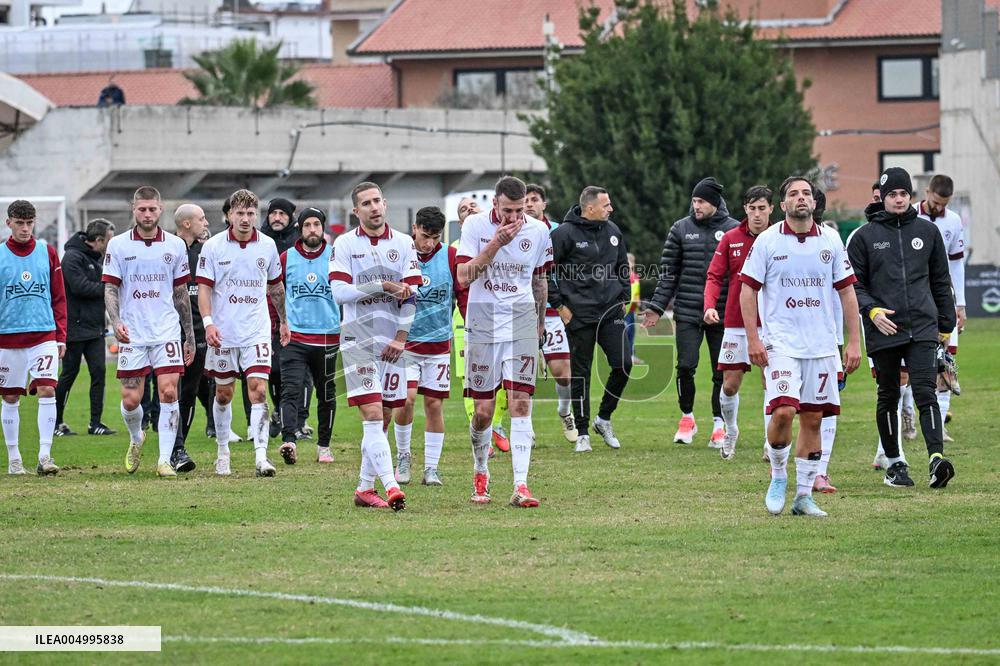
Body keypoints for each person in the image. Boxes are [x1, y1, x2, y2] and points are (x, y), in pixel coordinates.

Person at [740, 176, 861, 517]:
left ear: (814, 201)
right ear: (783, 205)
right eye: (793, 194)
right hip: (781, 344)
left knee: (813, 418)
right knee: (783, 411)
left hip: (822, 346)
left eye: (806, 192)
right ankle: (778, 475)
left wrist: (853, 341)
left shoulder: (831, 240)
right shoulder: (767, 241)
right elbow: (747, 290)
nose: (801, 197)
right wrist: (753, 339)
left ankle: (804, 496)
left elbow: (847, 291)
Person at [847, 167, 957, 489]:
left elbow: (941, 281)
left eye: (904, 193)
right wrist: (872, 311)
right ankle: (895, 464)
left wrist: (946, 324)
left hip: (922, 326)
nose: (898, 199)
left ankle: (936, 460)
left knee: (925, 392)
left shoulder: (929, 232)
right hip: (884, 328)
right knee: (889, 395)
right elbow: (853, 286)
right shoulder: (863, 237)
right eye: (892, 194)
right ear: (881, 197)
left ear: (911, 196)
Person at [457, 176, 553, 507]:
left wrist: (539, 324)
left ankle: (521, 485)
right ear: (495, 204)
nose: (513, 217)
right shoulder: (475, 226)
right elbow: (464, 276)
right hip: (482, 322)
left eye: (518, 210)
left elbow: (539, 280)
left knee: (521, 403)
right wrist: (495, 244)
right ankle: (480, 469)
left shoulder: (538, 231)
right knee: (483, 411)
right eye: (507, 210)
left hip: (521, 320)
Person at [329, 181, 418, 510]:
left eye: (377, 201)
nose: (374, 207)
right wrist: (382, 284)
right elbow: (340, 293)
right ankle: (392, 487)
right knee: (372, 413)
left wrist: (401, 338)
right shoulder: (344, 243)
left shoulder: (405, 243)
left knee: (383, 418)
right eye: (366, 203)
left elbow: (411, 296)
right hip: (358, 339)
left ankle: (365, 489)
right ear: (356, 211)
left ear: (385, 203)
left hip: (392, 342)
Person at [103, 186, 194, 479]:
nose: (147, 214)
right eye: (142, 209)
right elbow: (110, 288)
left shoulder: (175, 245)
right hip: (133, 332)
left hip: (166, 330)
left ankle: (164, 460)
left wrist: (189, 335)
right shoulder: (118, 245)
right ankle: (136, 437)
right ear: (134, 210)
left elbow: (181, 293)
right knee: (131, 399)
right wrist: (116, 321)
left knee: (169, 392)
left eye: (152, 209)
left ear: (160, 209)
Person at [197, 189, 287, 478]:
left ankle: (261, 457)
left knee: (258, 390)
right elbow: (204, 289)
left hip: (256, 330)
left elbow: (275, 286)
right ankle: (223, 452)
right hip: (224, 332)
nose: (246, 219)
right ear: (229, 215)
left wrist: (284, 320)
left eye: (250, 213)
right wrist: (208, 323)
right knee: (224, 394)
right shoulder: (213, 246)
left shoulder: (268, 245)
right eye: (240, 213)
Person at [644, 177, 738, 447]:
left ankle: (719, 424)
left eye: (702, 201)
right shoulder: (680, 229)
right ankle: (687, 418)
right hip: (687, 311)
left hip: (722, 312)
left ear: (715, 203)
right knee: (686, 366)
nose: (696, 206)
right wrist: (656, 307)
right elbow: (668, 275)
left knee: (721, 371)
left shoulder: (733, 230)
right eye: (694, 201)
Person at [548, 186, 631, 453]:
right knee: (581, 374)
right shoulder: (563, 234)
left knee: (624, 364)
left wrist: (624, 297)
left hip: (610, 313)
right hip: (578, 315)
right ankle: (582, 433)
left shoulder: (613, 231)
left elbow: (622, 267)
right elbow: (544, 272)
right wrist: (560, 306)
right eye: (606, 205)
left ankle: (603, 419)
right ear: (590, 208)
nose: (611, 209)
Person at [703, 185, 773, 461]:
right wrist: (710, 305)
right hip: (735, 322)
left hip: (771, 324)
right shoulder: (731, 238)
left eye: (762, 208)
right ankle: (730, 430)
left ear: (771, 209)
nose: (757, 214)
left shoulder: (780, 239)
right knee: (730, 385)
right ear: (745, 209)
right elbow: (714, 276)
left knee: (771, 381)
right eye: (752, 208)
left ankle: (770, 441)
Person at [390, 206, 458, 486]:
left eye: (435, 237)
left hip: (438, 344)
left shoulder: (450, 256)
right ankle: (403, 456)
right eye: (425, 236)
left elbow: (462, 292)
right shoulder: (400, 254)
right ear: (414, 229)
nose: (429, 243)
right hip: (406, 344)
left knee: (433, 404)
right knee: (405, 399)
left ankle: (431, 467)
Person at [0, 199, 67, 476]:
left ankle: (45, 455)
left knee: (47, 389)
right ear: (9, 223)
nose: (25, 228)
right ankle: (14, 458)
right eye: (20, 223)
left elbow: (59, 296)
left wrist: (61, 335)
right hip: (7, 338)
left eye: (29, 223)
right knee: (10, 397)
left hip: (43, 335)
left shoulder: (47, 252)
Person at [276, 207, 340, 466]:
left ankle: (324, 446)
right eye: (307, 225)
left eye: (316, 224)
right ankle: (289, 441)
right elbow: (274, 292)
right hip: (295, 337)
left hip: (327, 336)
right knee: (290, 390)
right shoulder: (286, 258)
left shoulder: (336, 256)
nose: (312, 229)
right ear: (300, 229)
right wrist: (279, 324)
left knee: (326, 394)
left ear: (323, 228)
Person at [453, 196, 507, 454]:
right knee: (471, 378)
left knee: (505, 377)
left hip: (500, 319)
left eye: (472, 204)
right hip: (465, 321)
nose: (469, 208)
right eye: (463, 208)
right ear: (460, 222)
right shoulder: (455, 249)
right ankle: (479, 430)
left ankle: (496, 424)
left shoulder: (501, 241)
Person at [524, 184, 578, 443]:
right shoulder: (513, 231)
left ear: (544, 204)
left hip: (553, 310)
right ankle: (525, 427)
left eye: (534, 199)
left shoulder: (558, 231)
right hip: (522, 311)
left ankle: (565, 411)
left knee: (563, 373)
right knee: (523, 372)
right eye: (525, 200)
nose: (529, 204)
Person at [55, 218, 116, 437]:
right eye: (109, 240)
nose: (110, 244)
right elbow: (79, 287)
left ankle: (95, 423)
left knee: (99, 373)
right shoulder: (72, 257)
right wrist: (109, 288)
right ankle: (56, 422)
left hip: (95, 328)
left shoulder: (97, 259)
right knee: (69, 375)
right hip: (75, 328)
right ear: (98, 240)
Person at [916, 174, 965, 441]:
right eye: (935, 202)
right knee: (916, 359)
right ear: (927, 192)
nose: (938, 207)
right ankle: (910, 416)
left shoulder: (954, 221)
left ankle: (941, 424)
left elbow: (956, 264)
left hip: (944, 296)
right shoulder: (911, 215)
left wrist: (961, 304)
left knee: (946, 359)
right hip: (917, 297)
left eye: (944, 204)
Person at [260, 197, 311, 440]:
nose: (277, 217)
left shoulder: (298, 242)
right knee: (275, 371)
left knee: (304, 374)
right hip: (268, 316)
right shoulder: (261, 241)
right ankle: (280, 413)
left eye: (282, 213)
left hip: (299, 316)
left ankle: (300, 421)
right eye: (273, 213)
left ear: (291, 217)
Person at [170, 203, 209, 473]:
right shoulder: (168, 250)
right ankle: (173, 447)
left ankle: (178, 448)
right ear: (186, 223)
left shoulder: (204, 253)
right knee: (168, 391)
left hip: (198, 333)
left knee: (189, 392)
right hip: (168, 333)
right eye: (201, 219)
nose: (205, 223)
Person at [625, 253, 643, 365]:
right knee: (625, 332)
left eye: (632, 262)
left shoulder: (635, 276)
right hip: (626, 309)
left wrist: (638, 303)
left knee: (631, 332)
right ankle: (625, 355)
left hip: (632, 310)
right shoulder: (624, 277)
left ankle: (631, 355)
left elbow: (636, 293)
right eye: (629, 262)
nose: (631, 264)